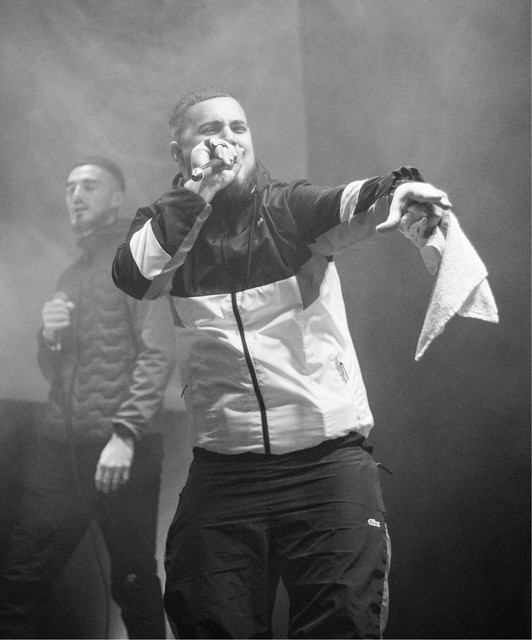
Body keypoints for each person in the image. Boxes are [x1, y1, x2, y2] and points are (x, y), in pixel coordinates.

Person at [112, 88, 452, 639]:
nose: (227, 140)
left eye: (238, 128)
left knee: (341, 623)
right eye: (209, 130)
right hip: (226, 471)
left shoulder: (288, 208)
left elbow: (352, 200)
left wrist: (401, 190)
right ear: (179, 152)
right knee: (206, 617)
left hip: (326, 464)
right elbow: (134, 275)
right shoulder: (166, 225)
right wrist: (196, 194)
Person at [0, 157, 176, 639]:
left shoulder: (137, 261)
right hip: (61, 449)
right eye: (70, 186)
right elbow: (55, 372)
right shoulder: (72, 273)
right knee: (20, 582)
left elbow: (158, 352)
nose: (75, 195)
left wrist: (125, 434)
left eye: (89, 186)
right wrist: (50, 338)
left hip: (124, 451)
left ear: (117, 199)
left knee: (134, 583)